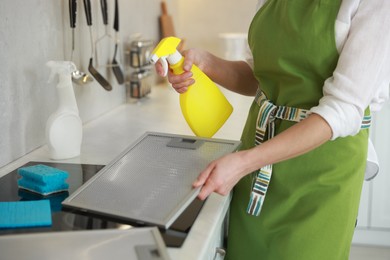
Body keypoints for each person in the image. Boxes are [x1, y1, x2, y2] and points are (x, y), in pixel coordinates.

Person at [155, 0, 390, 259]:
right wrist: (206, 63)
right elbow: (261, 76)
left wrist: (245, 163)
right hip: (258, 154)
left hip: (320, 171)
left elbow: (342, 109)